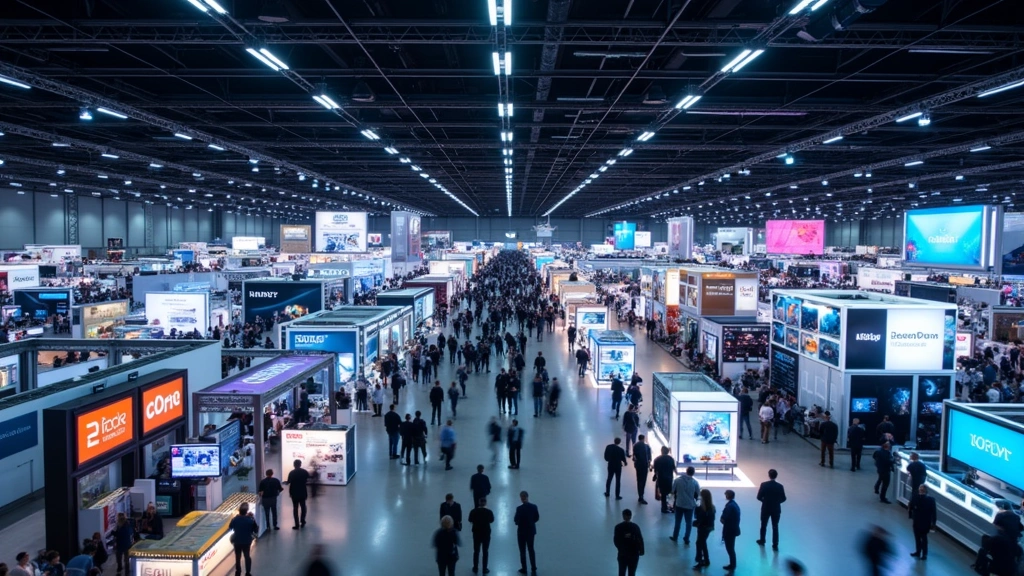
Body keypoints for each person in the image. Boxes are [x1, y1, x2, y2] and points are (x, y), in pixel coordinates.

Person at [755, 469, 787, 551]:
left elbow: (758, 497)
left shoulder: (764, 485)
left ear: (769, 475)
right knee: (775, 526)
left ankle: (762, 540)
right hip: (776, 509)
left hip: (766, 508)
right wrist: (777, 502)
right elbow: (784, 498)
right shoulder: (780, 486)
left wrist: (764, 501)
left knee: (763, 525)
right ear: (776, 476)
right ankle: (775, 544)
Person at [671, 466, 700, 544]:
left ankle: (675, 536)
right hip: (689, 505)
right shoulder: (695, 482)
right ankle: (686, 538)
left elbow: (672, 491)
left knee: (677, 522)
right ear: (693, 473)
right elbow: (698, 494)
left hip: (679, 503)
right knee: (688, 523)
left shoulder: (677, 480)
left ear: (686, 471)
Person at [514, 491, 540, 574]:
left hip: (521, 531)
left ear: (521, 498)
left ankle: (524, 568)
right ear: (527, 497)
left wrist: (518, 522)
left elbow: (515, 520)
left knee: (522, 550)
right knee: (531, 549)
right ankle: (533, 567)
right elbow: (536, 518)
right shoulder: (534, 507)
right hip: (531, 530)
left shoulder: (519, 508)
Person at [908, 485, 937, 560]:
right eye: (920, 489)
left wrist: (933, 523)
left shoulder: (930, 500)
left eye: (922, 489)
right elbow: (911, 506)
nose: (921, 490)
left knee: (923, 538)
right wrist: (910, 514)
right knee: (917, 537)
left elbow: (934, 512)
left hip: (925, 522)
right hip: (916, 520)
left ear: (925, 491)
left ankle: (924, 554)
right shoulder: (915, 497)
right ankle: (918, 552)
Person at [229, 503, 258, 576]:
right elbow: (256, 530)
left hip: (237, 541)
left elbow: (230, 527)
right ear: (247, 511)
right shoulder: (250, 520)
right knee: (247, 556)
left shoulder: (235, 519)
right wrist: (252, 518)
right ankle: (247, 572)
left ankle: (238, 572)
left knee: (237, 557)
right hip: (247, 541)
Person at [613, 509, 644, 576]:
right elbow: (640, 539)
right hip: (634, 554)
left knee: (622, 572)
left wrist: (620, 549)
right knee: (632, 572)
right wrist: (641, 551)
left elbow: (616, 541)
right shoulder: (635, 527)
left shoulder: (618, 527)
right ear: (630, 516)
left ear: (623, 516)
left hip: (623, 554)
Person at [468, 497, 495, 574]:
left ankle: (475, 567)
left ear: (479, 502)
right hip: (486, 533)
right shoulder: (489, 512)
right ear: (485, 503)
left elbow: (470, 519)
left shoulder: (473, 511)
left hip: (476, 533)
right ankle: (484, 568)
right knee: (485, 551)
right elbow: (492, 520)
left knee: (476, 551)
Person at [692, 489, 716, 570]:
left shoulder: (701, 508)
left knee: (699, 543)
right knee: (703, 542)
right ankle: (706, 559)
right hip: (708, 528)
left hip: (702, 528)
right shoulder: (712, 508)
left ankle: (700, 561)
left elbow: (698, 518)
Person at [285, 458, 311, 528]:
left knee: (295, 508)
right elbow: (308, 479)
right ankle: (302, 521)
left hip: (294, 492)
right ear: (300, 464)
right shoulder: (304, 472)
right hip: (303, 491)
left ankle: (296, 524)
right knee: (303, 507)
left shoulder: (291, 472)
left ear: (294, 465)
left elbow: (288, 482)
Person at [720, 490, 741, 571]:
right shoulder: (735, 505)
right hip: (734, 529)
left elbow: (723, 519)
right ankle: (733, 563)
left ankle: (732, 564)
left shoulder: (729, 506)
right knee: (731, 548)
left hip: (729, 530)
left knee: (730, 548)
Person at [652, 447, 676, 514]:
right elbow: (674, 468)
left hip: (661, 478)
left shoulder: (657, 459)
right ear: (668, 452)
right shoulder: (671, 459)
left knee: (663, 494)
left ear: (661, 451)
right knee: (670, 492)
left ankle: (664, 508)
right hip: (669, 478)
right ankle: (673, 506)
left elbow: (656, 470)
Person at [632, 434, 652, 505]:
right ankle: (641, 496)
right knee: (643, 481)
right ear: (643, 438)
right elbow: (649, 458)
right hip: (644, 465)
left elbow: (634, 456)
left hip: (638, 465)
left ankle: (640, 495)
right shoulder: (646, 446)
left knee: (639, 480)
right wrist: (649, 465)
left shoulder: (635, 445)